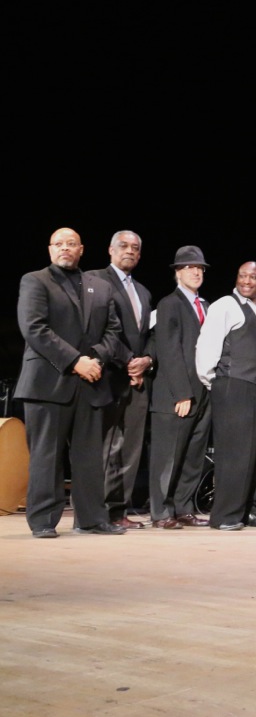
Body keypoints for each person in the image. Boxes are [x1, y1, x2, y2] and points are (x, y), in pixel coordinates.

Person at [16, 227, 127, 538]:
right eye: (58, 244)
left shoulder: (100, 287)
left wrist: (95, 360)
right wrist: (76, 361)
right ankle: (43, 521)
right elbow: (34, 328)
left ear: (81, 249)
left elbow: (113, 331)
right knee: (46, 456)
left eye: (71, 243)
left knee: (89, 457)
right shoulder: (35, 281)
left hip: (91, 382)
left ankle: (91, 519)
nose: (64, 248)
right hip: (48, 382)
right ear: (50, 249)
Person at [196, 261, 256, 530]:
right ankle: (225, 516)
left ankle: (250, 511)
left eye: (253, 277)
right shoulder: (225, 305)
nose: (246, 281)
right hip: (233, 384)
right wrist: (214, 381)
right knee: (235, 454)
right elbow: (206, 345)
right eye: (242, 276)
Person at [86, 230, 154, 530]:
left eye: (135, 248)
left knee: (130, 449)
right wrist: (128, 361)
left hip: (136, 380)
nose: (130, 251)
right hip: (108, 375)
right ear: (110, 250)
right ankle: (95, 512)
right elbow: (100, 329)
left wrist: (146, 360)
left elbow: (147, 335)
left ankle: (118, 510)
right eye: (124, 246)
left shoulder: (143, 291)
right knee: (105, 448)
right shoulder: (94, 280)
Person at [148, 245, 214, 530]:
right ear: (178, 272)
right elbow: (169, 350)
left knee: (193, 455)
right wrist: (182, 393)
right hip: (177, 394)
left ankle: (183, 507)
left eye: (200, 268)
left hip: (204, 391)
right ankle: (161, 512)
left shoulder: (207, 306)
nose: (196, 272)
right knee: (168, 455)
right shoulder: (169, 304)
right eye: (190, 267)